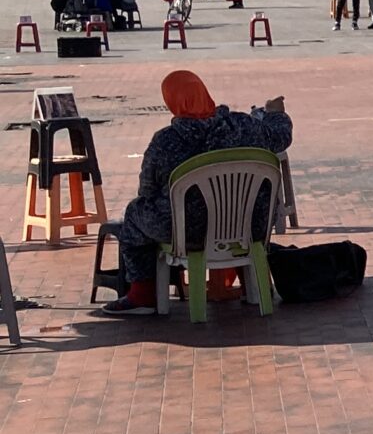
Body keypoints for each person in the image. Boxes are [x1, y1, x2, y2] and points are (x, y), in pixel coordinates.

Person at [95, 71, 294, 317]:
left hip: (185, 232)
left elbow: (147, 190)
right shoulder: (244, 126)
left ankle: (142, 294)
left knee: (135, 213)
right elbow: (280, 136)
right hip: (247, 227)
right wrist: (276, 114)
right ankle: (250, 286)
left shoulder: (166, 142)